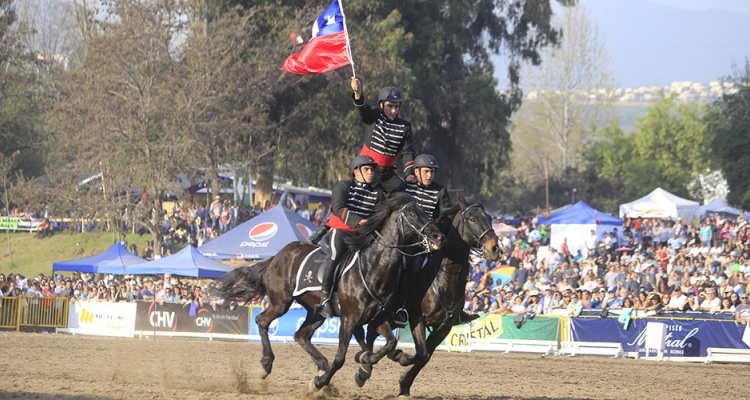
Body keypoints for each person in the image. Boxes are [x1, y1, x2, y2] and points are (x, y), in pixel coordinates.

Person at [316, 155, 386, 319]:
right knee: (335, 256)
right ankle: (325, 299)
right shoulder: (343, 186)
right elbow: (339, 208)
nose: (371, 173)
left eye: (372, 169)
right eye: (367, 169)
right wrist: (360, 221)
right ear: (356, 171)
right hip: (342, 230)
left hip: (364, 234)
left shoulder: (378, 192)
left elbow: (380, 214)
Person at [350, 76, 415, 193]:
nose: (394, 110)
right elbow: (363, 111)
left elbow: (407, 151)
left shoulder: (405, 127)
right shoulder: (374, 116)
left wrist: (409, 173)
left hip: (387, 175)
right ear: (381, 105)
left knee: (407, 197)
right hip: (367, 170)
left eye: (396, 106)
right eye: (390, 106)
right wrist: (358, 94)